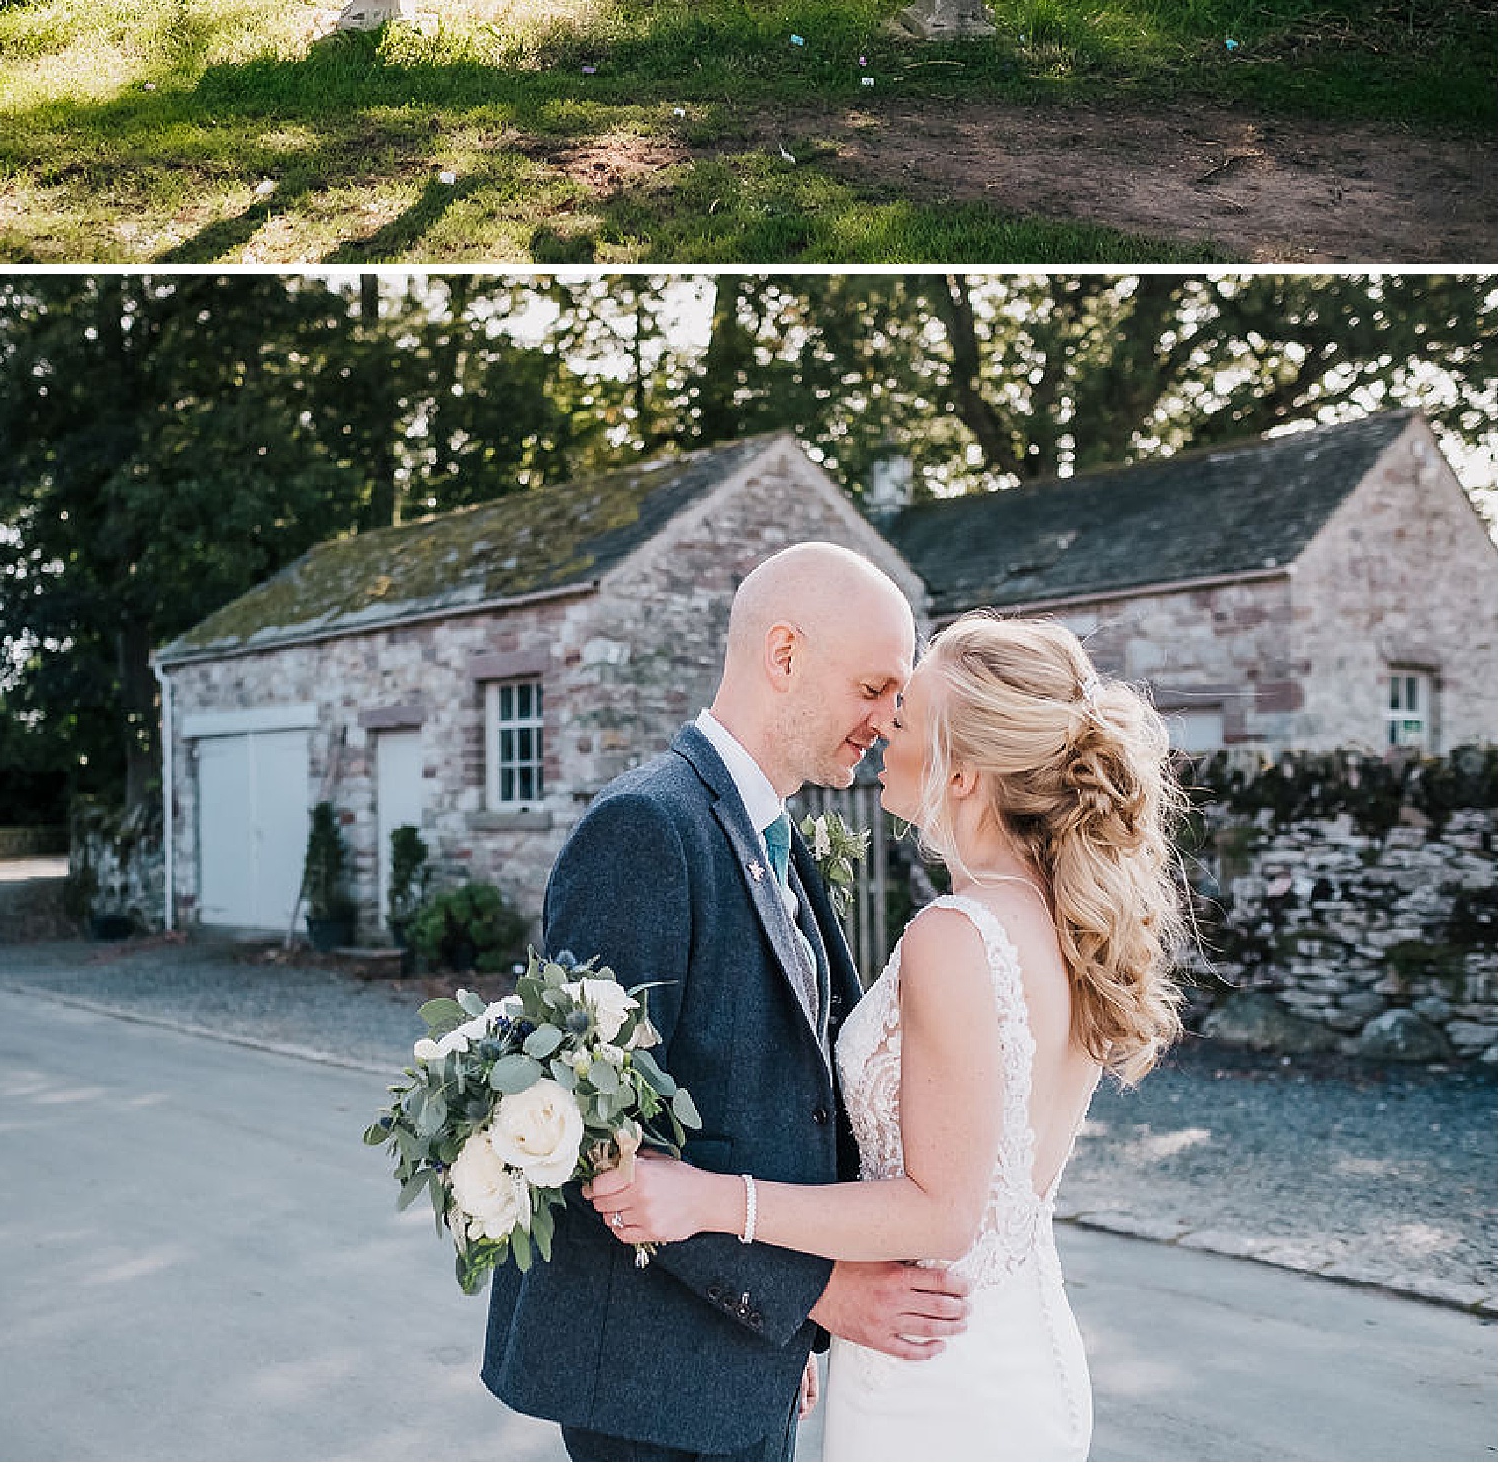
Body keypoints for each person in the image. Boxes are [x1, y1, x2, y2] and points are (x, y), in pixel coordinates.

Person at [587, 611, 1189, 1462]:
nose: (879, 732)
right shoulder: (1066, 925)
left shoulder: (958, 936)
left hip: (938, 1374)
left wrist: (708, 1199)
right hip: (1004, 1344)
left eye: (902, 717)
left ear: (966, 773)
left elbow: (941, 1213)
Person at [482, 540, 968, 1462]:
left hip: (735, 1346)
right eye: (874, 688)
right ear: (784, 655)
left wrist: (784, 1334)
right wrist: (814, 1294)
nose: (886, 720)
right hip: (645, 1374)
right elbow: (603, 1136)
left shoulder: (771, 830)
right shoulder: (647, 827)